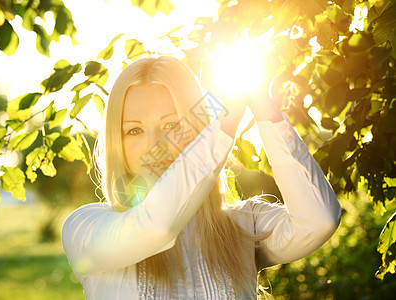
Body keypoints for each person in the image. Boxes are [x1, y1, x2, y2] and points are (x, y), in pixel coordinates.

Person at [61, 56, 341, 299]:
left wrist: (261, 103)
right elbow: (157, 225)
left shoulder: (242, 225)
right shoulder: (86, 229)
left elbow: (319, 220)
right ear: (116, 142)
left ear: (198, 130)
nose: (153, 144)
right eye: (134, 130)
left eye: (172, 125)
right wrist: (225, 119)